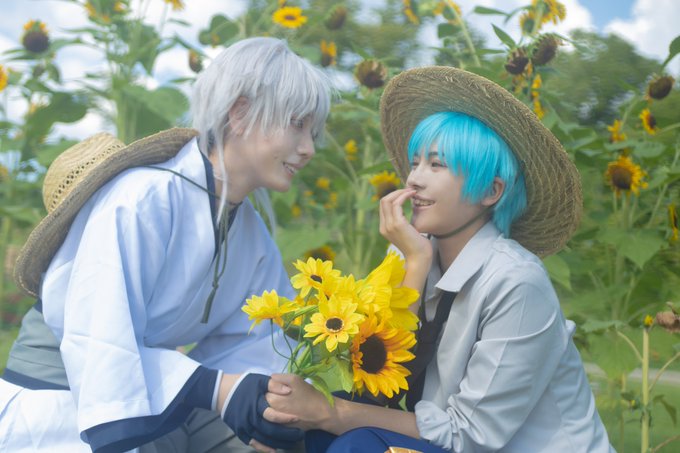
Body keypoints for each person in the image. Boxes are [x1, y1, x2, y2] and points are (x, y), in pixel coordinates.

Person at [0, 37, 331, 453]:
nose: (308, 149)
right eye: (297, 124)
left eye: (312, 132)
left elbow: (261, 342)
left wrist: (269, 405)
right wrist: (218, 388)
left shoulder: (250, 231)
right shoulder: (141, 199)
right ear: (240, 113)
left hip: (155, 399)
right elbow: (100, 338)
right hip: (63, 407)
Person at [263, 66, 615, 452]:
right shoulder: (410, 252)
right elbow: (374, 385)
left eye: (436, 164)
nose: (414, 178)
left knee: (355, 440)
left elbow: (471, 435)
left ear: (491, 191)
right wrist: (414, 263)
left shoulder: (516, 282)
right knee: (318, 431)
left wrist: (332, 413)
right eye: (415, 163)